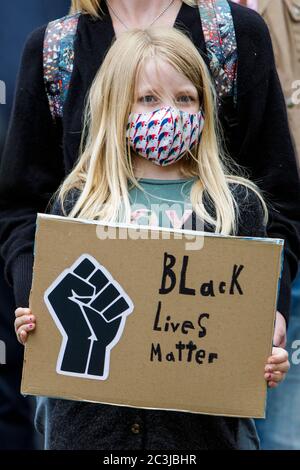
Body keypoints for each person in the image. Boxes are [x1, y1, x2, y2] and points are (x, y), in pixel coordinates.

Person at [13, 26, 290, 450]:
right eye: (148, 98)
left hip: (197, 441)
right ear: (117, 107)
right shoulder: (77, 206)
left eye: (185, 99)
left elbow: (245, 337)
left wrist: (267, 360)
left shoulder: (235, 208)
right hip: (91, 437)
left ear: (204, 108)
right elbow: (54, 322)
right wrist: (33, 323)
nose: (170, 113)